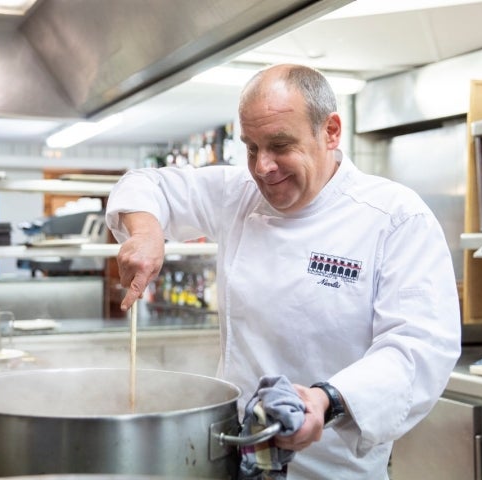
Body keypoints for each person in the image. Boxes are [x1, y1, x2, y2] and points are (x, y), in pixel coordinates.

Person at [105, 64, 461, 479]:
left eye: (280, 145)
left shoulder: (395, 218)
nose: (262, 167)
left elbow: (418, 348)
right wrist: (147, 230)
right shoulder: (238, 194)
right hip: (235, 456)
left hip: (333, 465)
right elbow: (147, 184)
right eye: (251, 147)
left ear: (330, 131)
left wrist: (327, 400)